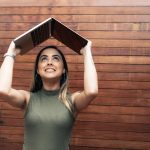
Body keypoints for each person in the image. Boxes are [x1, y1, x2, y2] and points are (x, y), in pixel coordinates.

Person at [0, 40, 98, 150]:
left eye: (56, 58)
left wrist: (87, 52)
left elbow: (92, 91)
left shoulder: (72, 100)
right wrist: (11, 53)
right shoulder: (28, 98)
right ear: (37, 70)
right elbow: (2, 89)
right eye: (44, 59)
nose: (49, 62)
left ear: (64, 69)